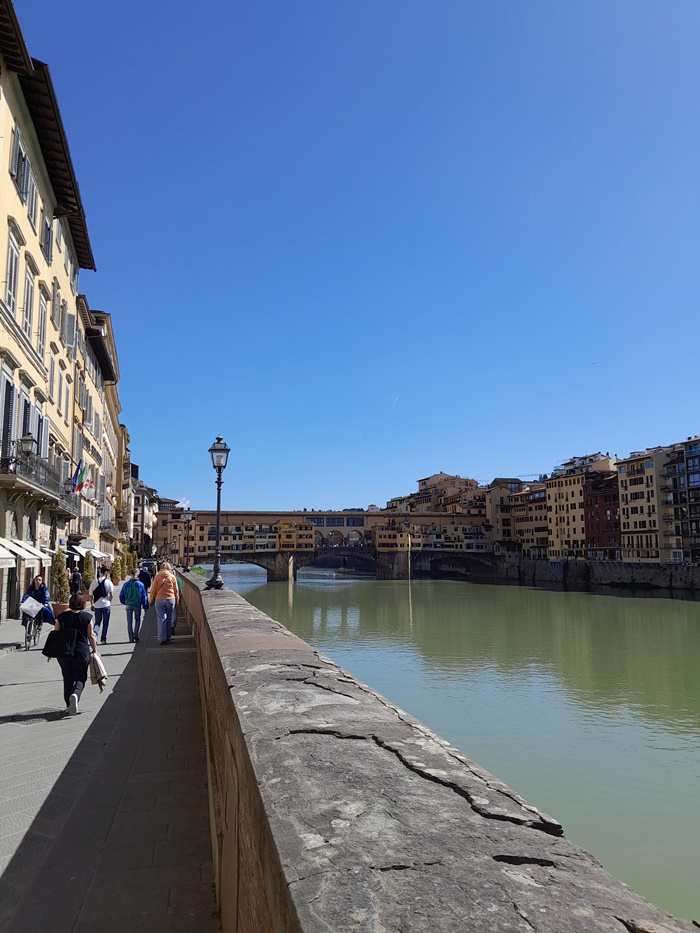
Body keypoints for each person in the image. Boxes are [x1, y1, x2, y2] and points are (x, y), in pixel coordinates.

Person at [54, 592, 97, 715]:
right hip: (81, 652)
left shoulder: (61, 617)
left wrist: (52, 652)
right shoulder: (87, 617)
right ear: (83, 604)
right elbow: (91, 635)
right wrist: (95, 650)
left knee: (67, 678)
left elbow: (55, 634)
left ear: (70, 603)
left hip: (64, 653)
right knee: (80, 677)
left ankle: (68, 705)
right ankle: (75, 695)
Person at [149, 561, 179, 645]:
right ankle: (168, 637)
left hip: (160, 599)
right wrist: (177, 601)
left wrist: (151, 600)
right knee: (169, 618)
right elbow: (176, 590)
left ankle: (163, 638)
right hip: (170, 599)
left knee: (161, 619)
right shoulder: (172, 577)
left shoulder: (157, 577)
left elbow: (153, 590)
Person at [119, 567, 148, 643]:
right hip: (137, 604)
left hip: (129, 604)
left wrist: (124, 602)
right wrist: (145, 605)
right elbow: (143, 596)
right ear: (137, 574)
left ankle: (131, 638)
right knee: (137, 619)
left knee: (129, 622)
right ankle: (136, 633)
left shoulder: (126, 584)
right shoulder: (140, 584)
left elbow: (121, 595)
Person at [89, 569, 114, 644]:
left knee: (97, 622)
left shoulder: (94, 582)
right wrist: (109, 601)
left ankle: (95, 636)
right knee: (105, 623)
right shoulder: (108, 582)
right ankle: (103, 639)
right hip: (106, 605)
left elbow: (90, 595)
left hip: (97, 605)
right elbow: (111, 595)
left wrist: (91, 604)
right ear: (106, 572)